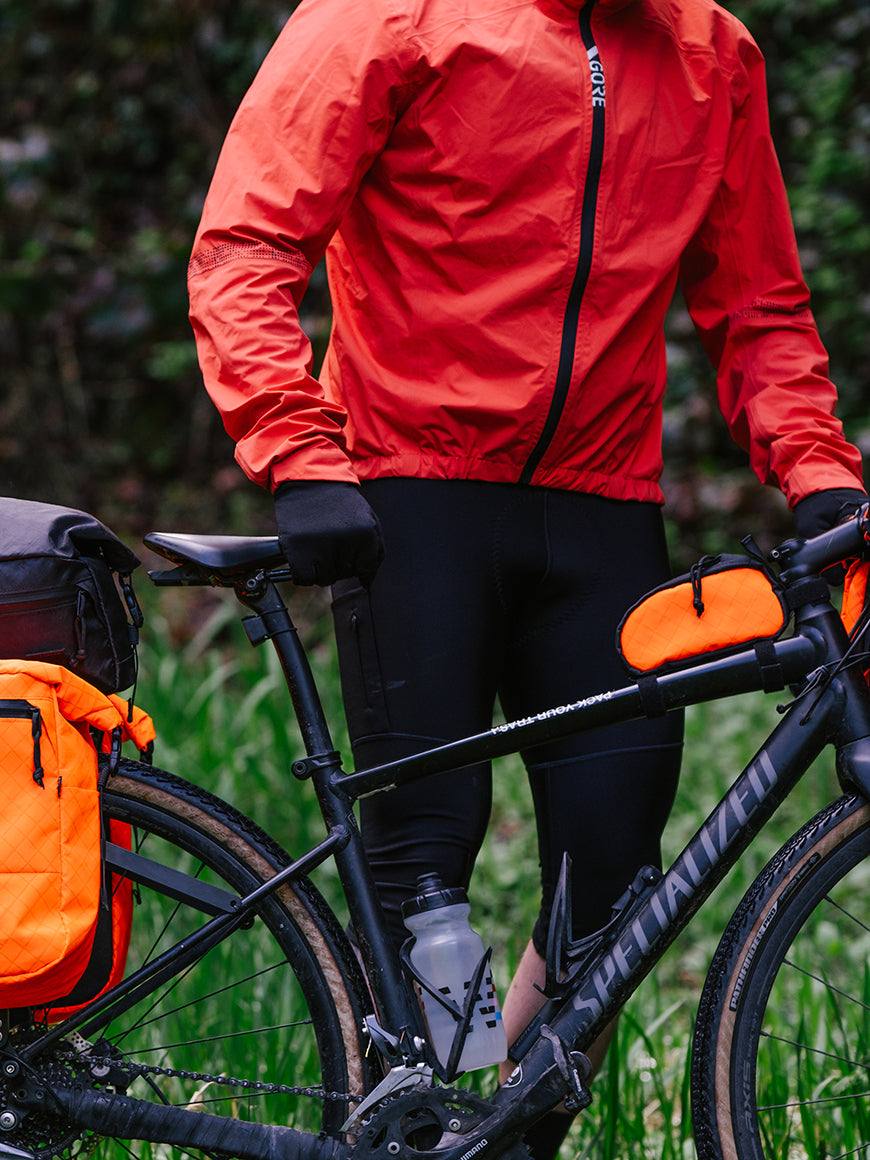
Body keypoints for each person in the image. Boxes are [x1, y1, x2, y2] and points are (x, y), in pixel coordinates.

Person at [187, 0, 866, 1152]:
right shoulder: (391, 15)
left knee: (614, 876)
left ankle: (497, 1135)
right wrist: (298, 449)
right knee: (426, 872)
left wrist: (818, 469)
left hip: (601, 504)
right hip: (410, 492)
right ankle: (427, 1108)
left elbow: (757, 302)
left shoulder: (711, 51)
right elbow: (249, 239)